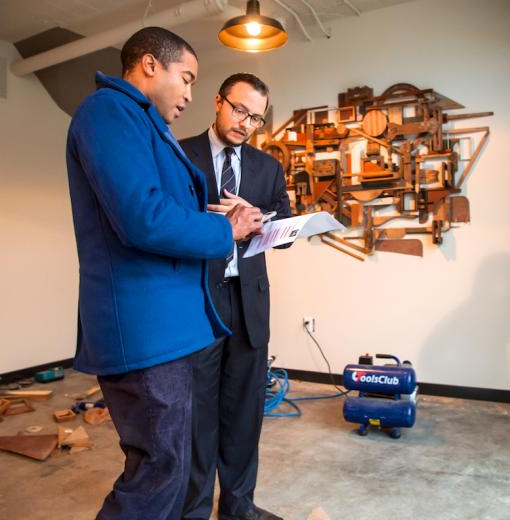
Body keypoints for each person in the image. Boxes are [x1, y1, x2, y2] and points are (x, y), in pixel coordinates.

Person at [65, 28, 264, 519]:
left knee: (168, 470)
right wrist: (226, 231)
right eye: (187, 78)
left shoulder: (142, 122)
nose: (189, 94)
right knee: (158, 472)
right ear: (151, 65)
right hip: (144, 329)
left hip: (169, 328)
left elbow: (162, 211)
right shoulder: (108, 112)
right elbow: (143, 217)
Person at [180, 74, 291, 520]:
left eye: (257, 118)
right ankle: (193, 511)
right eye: (240, 110)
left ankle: (239, 509)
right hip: (197, 301)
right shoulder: (180, 154)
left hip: (249, 303)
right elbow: (165, 221)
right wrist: (217, 224)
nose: (246, 123)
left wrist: (259, 219)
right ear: (218, 102)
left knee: (245, 414)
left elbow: (283, 230)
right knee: (197, 417)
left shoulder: (267, 167)